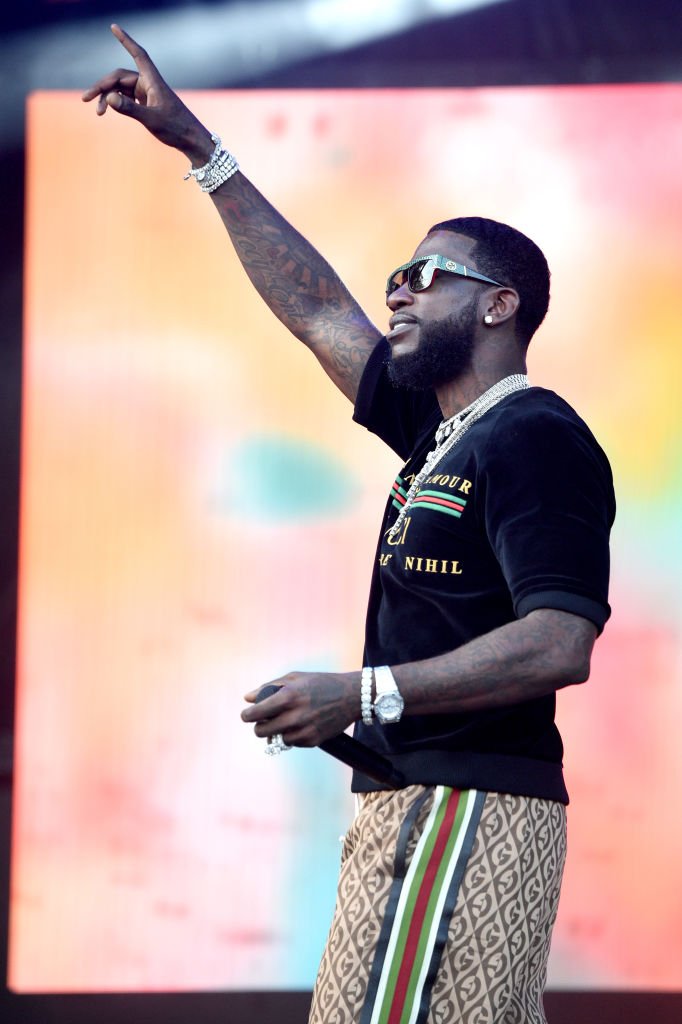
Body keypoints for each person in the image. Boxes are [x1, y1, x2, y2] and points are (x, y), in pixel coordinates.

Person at [84, 25, 615, 1024]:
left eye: (428, 275)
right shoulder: (441, 430)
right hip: (426, 807)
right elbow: (320, 311)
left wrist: (362, 693)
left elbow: (559, 642)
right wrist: (203, 150)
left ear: (499, 305)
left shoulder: (534, 437)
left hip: (460, 807)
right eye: (397, 277)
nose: (397, 289)